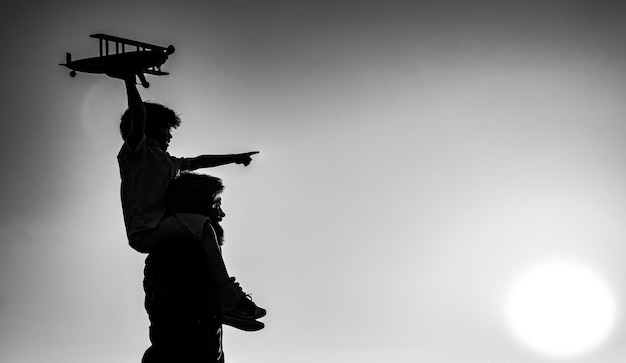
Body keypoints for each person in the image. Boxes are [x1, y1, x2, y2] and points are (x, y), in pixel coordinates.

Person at [112, 70, 265, 330]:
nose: (170, 136)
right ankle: (228, 298)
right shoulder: (136, 154)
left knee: (207, 231)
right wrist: (128, 79)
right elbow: (138, 115)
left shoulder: (167, 162)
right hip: (146, 231)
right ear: (151, 129)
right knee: (203, 226)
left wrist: (235, 157)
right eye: (166, 129)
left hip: (160, 226)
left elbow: (199, 161)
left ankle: (217, 299)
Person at [143, 173, 243, 362]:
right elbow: (172, 316)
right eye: (216, 204)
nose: (221, 215)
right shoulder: (180, 251)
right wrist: (220, 303)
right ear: (198, 204)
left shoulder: (188, 249)